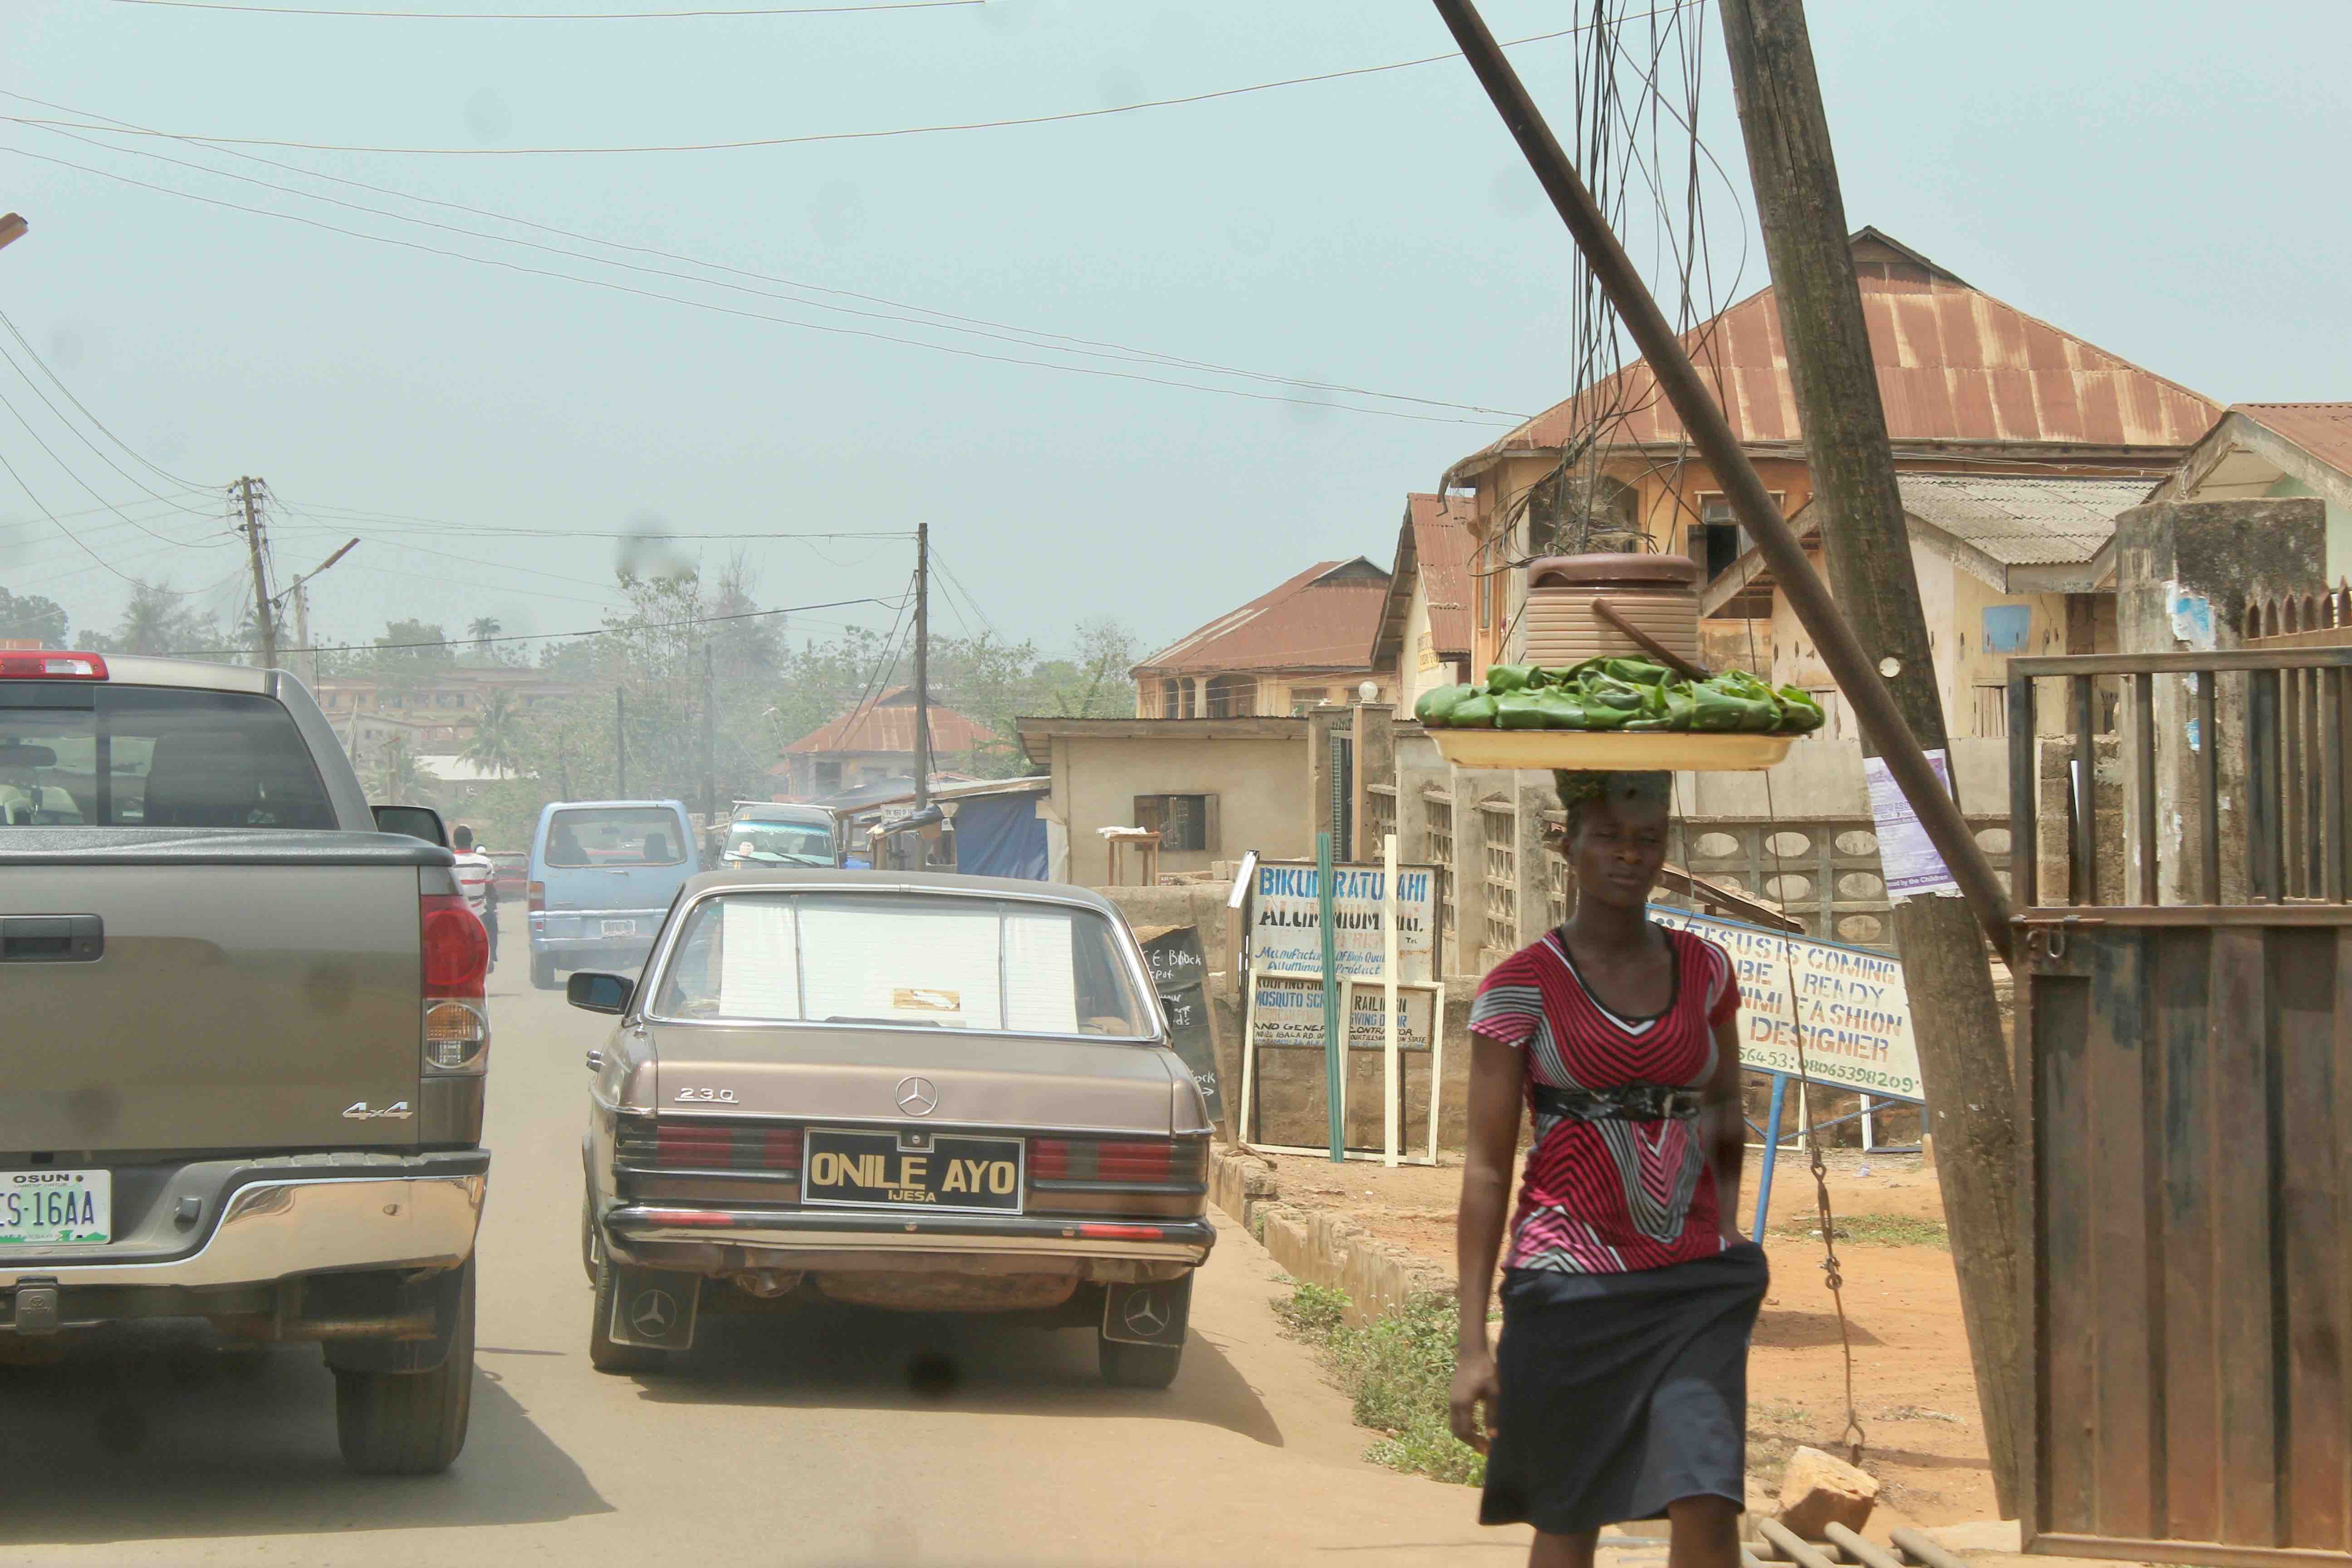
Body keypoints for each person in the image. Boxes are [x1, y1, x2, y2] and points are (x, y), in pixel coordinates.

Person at [1450, 769, 1765, 1568]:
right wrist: (1470, 1344)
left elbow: (1725, 1110)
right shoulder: (1517, 987)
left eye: (1646, 840)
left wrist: (1723, 1224)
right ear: (1569, 848)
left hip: (1690, 1283)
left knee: (1706, 1493)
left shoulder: (1706, 972)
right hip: (1568, 1283)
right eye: (1608, 839)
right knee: (1569, 1508)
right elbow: (1486, 1171)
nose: (1628, 856)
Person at [451, 824, 498, 968]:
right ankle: (491, 955)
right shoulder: (485, 862)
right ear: (471, 839)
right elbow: (490, 891)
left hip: (456, 913)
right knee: (493, 925)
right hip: (478, 913)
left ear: (454, 842)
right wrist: (496, 897)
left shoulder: (449, 862)